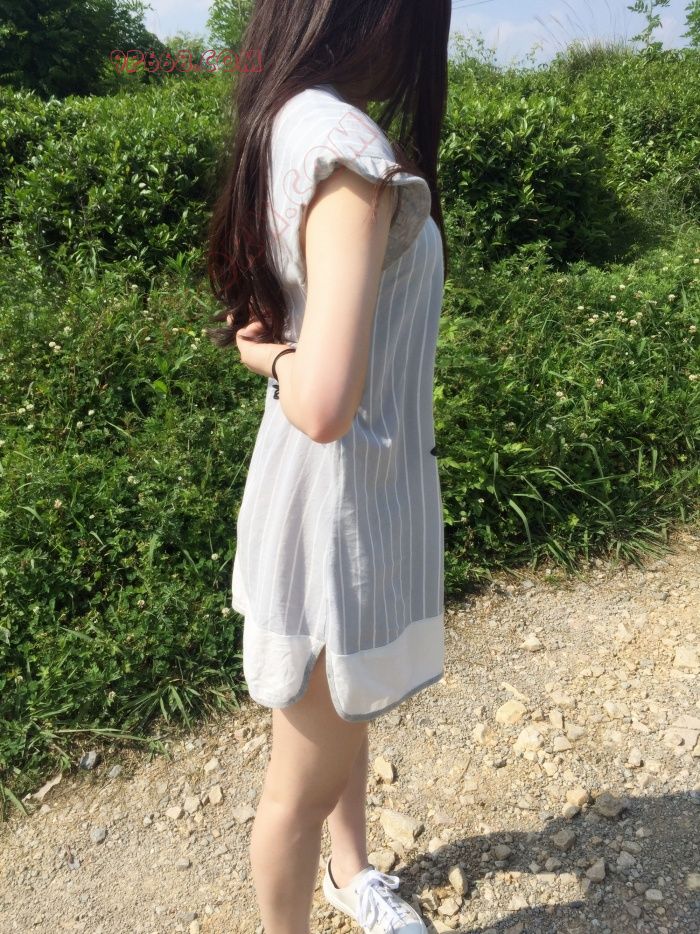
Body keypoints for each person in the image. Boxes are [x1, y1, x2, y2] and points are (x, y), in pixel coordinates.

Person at [207, 2, 451, 931]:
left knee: (344, 702)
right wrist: (269, 359)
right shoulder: (348, 153)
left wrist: (270, 352)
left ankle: (352, 875)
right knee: (294, 794)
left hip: (338, 489)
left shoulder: (287, 121)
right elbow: (322, 403)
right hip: (341, 502)